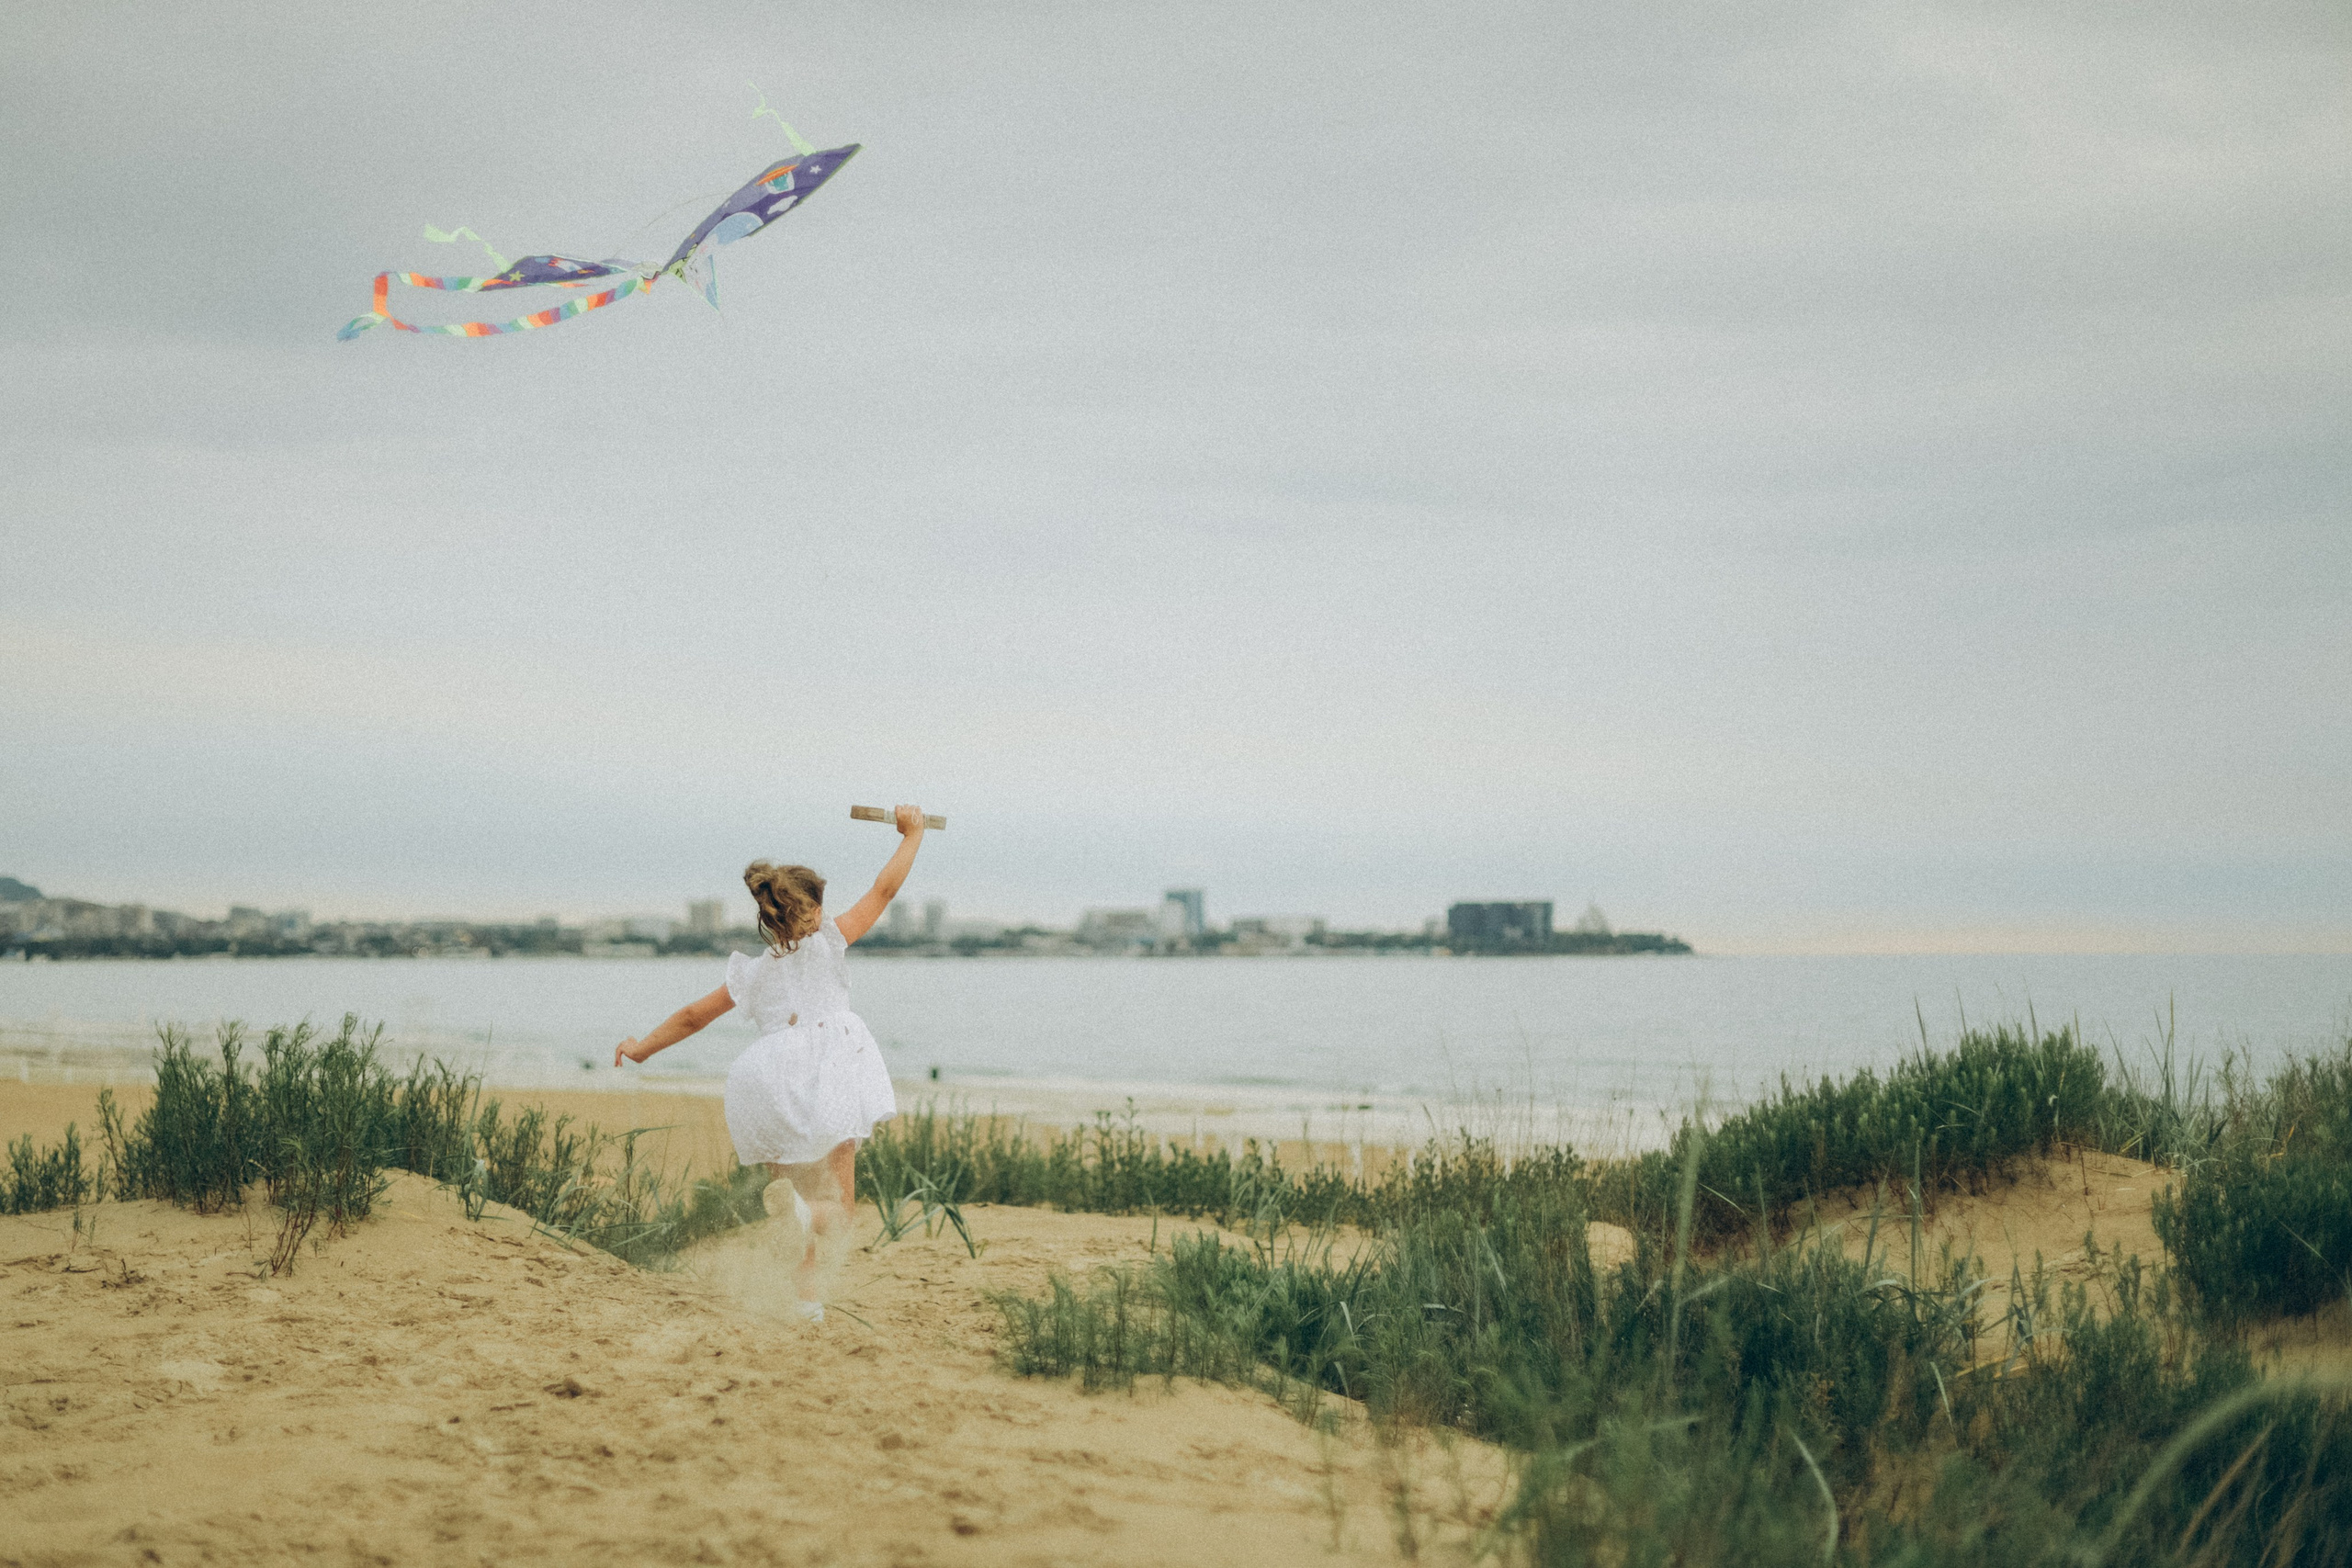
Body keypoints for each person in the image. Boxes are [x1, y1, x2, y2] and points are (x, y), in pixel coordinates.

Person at [614, 805, 929, 1321]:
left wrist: (642, 1047)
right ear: (813, 910)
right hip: (829, 1073)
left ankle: (806, 1306)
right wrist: (913, 833)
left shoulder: (753, 975)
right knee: (837, 1212)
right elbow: (885, 890)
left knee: (794, 1212)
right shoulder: (830, 941)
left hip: (768, 1082)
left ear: (770, 919)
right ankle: (806, 1236)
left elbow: (694, 1017)